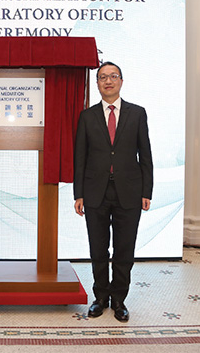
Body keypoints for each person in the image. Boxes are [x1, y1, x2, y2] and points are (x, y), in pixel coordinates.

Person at [73, 61, 153, 322]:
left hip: (129, 191)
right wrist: (79, 193)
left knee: (124, 249)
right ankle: (100, 298)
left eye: (113, 76)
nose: (108, 81)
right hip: (95, 191)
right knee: (98, 249)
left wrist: (147, 190)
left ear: (121, 81)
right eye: (102, 77)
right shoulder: (87, 116)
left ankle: (119, 300)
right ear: (97, 84)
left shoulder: (137, 113)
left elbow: (145, 155)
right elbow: (80, 158)